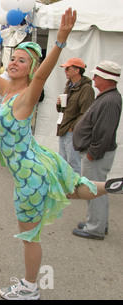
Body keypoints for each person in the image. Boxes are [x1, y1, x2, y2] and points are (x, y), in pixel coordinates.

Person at [0, 8, 122, 300]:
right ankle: (112, 185)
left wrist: (60, 41)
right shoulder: (6, 91)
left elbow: (41, 76)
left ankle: (29, 287)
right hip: (39, 163)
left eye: (22, 60)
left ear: (31, 68)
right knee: (73, 190)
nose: (15, 62)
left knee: (30, 237)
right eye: (13, 58)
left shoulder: (27, 95)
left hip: (29, 177)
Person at [72, 60, 122, 240]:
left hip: (96, 155)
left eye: (97, 76)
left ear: (107, 79)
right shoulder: (108, 97)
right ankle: (98, 223)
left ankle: (95, 228)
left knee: (94, 190)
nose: (93, 78)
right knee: (98, 189)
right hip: (95, 154)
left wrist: (93, 153)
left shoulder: (109, 100)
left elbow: (104, 132)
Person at [56, 57, 94, 174]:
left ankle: (74, 190)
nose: (65, 71)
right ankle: (65, 189)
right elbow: (63, 110)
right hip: (64, 128)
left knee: (73, 164)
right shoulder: (69, 86)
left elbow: (86, 113)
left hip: (72, 131)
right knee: (62, 161)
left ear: (77, 70)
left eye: (68, 68)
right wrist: (59, 104)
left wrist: (73, 127)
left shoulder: (86, 89)